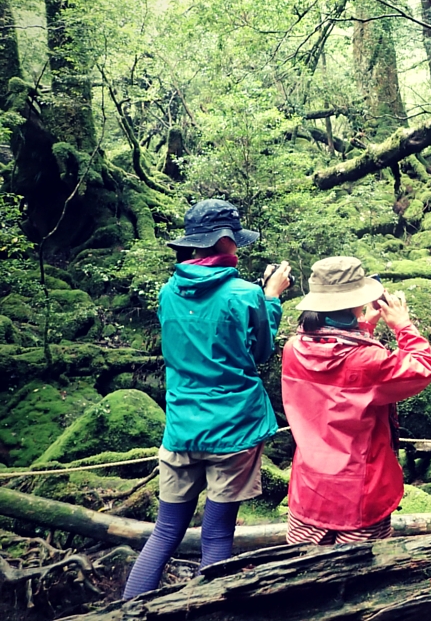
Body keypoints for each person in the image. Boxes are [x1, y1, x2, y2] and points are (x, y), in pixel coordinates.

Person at [123, 199, 290, 599]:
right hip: (234, 428)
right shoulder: (246, 295)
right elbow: (261, 352)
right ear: (226, 242)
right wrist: (271, 298)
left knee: (165, 532)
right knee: (217, 536)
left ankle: (125, 611)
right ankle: (207, 610)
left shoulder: (167, 293)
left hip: (182, 428)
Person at [281, 256, 431, 544]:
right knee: (360, 582)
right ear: (356, 302)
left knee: (302, 576)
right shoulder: (368, 359)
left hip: (310, 492)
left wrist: (363, 329)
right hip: (360, 496)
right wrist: (403, 326)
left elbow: (336, 360)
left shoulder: (293, 349)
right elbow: (422, 368)